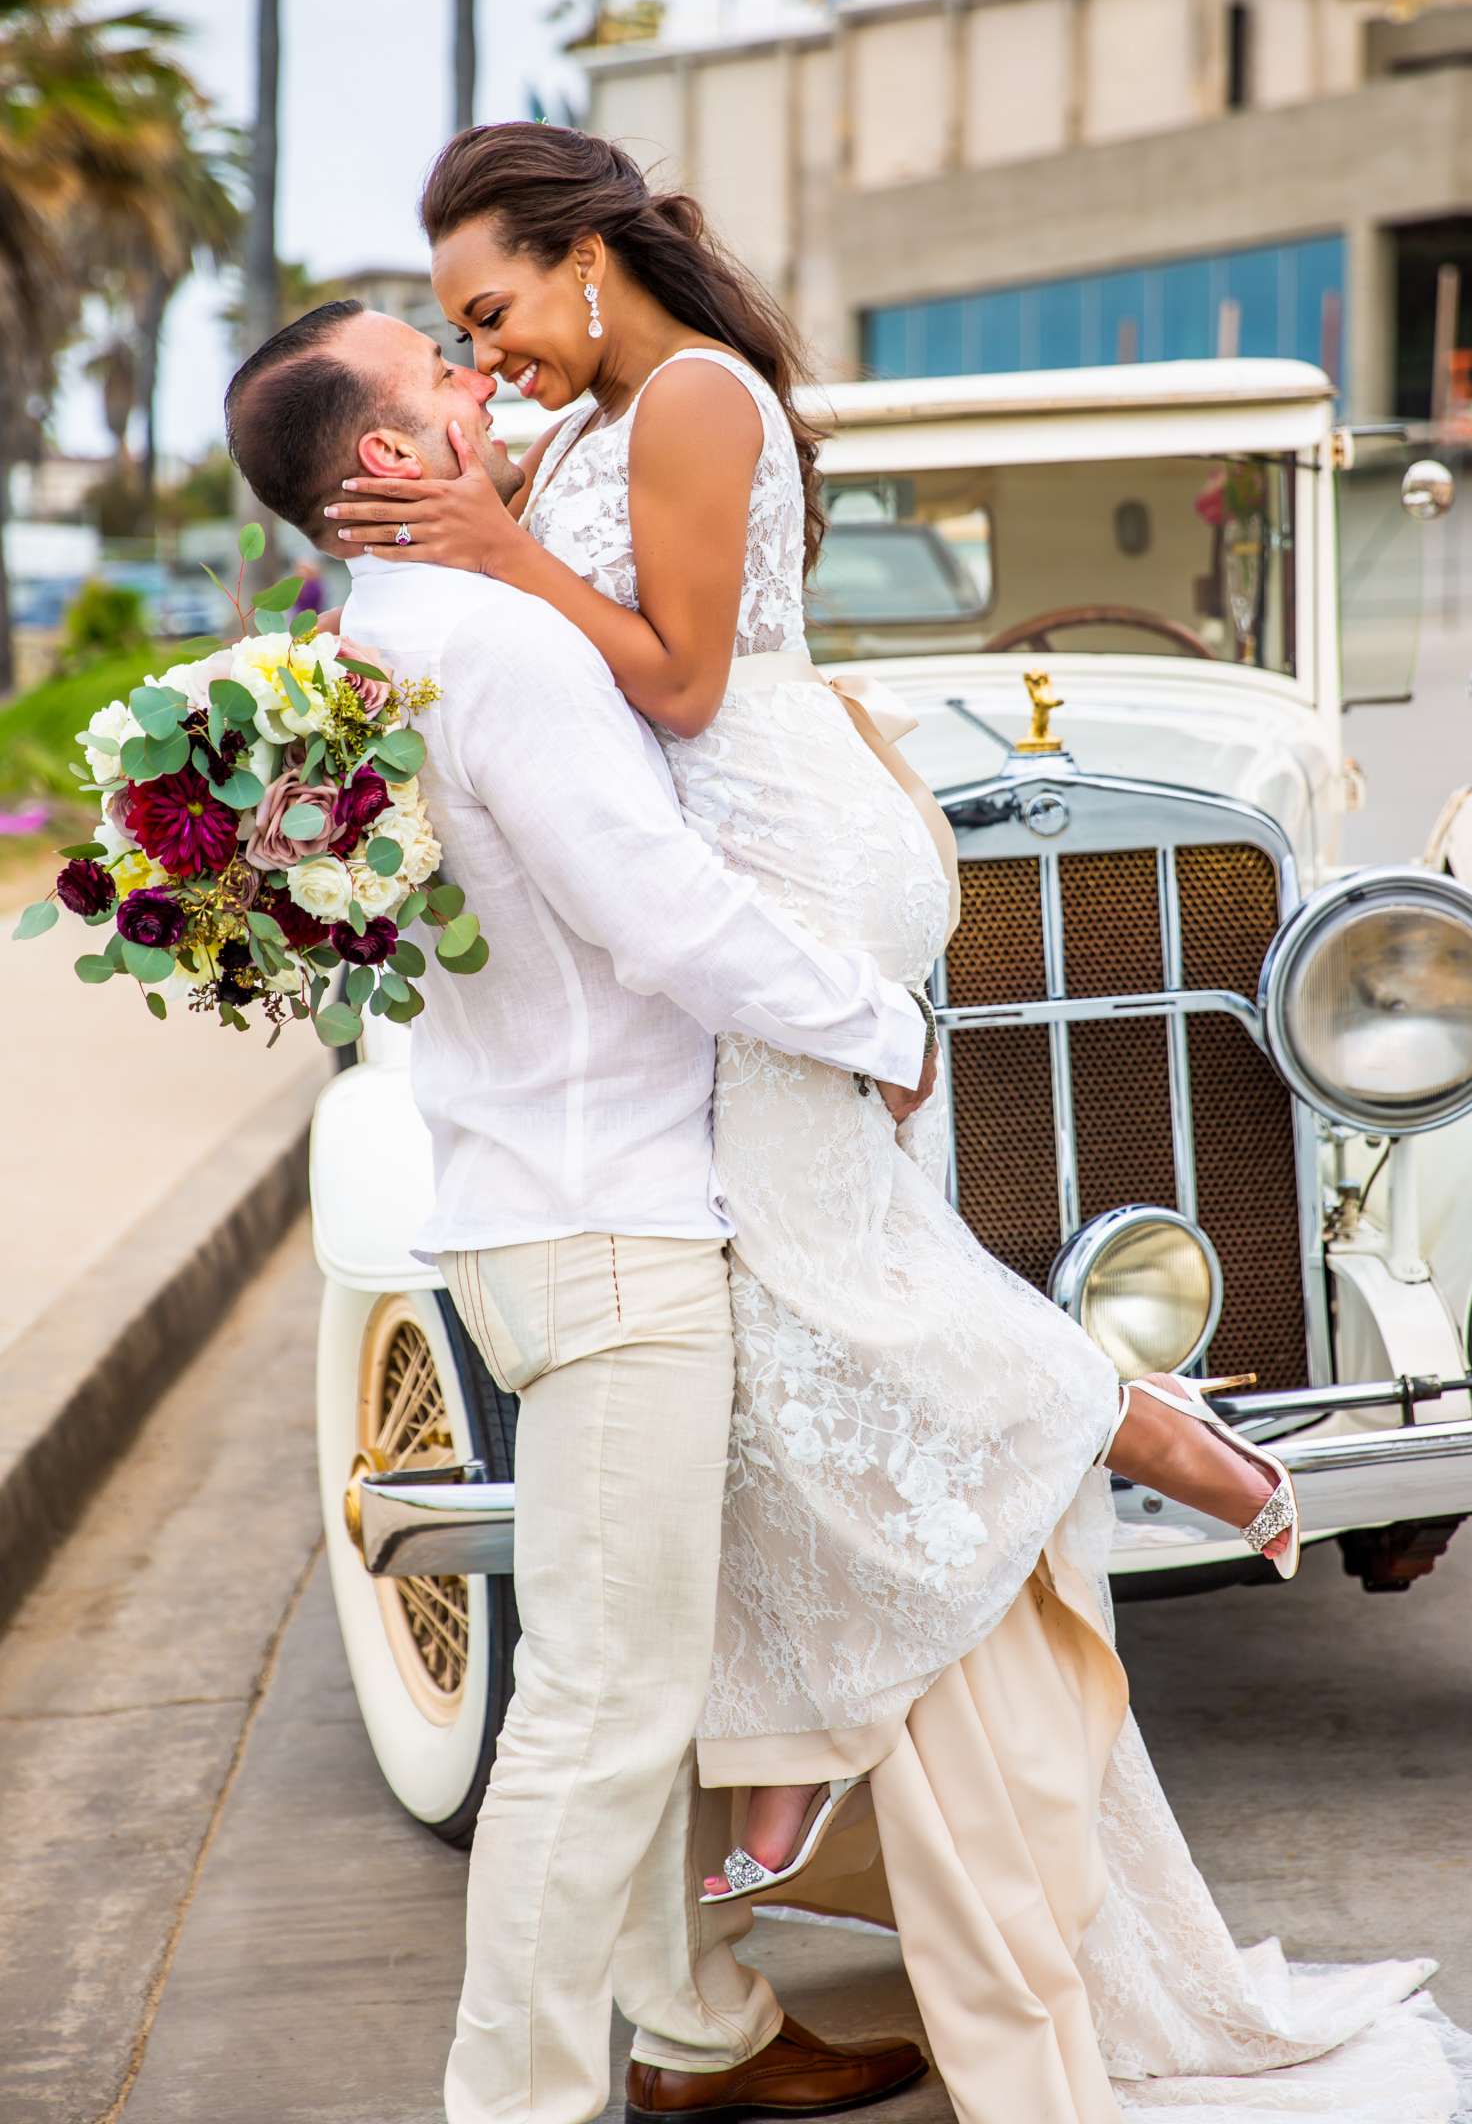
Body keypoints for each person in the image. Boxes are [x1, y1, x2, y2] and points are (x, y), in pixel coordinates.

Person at [317, 121, 1472, 2124]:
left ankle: (1107, 1422)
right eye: (453, 330)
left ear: (587, 255)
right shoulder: (591, 419)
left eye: (493, 307)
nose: (486, 350)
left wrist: (509, 547)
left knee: (813, 1261)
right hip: (765, 864)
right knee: (783, 1292)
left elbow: (687, 686)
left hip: (772, 857)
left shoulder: (687, 394)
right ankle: (821, 1707)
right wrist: (481, 509)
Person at [224, 301, 937, 2124]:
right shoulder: (499, 644)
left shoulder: (357, 646)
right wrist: (878, 1022)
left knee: (624, 1679)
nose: (484, 384)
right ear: (393, 458)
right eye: (442, 371)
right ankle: (520, 2103)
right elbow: (662, 910)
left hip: (515, 1205)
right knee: (602, 1713)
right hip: (614, 1228)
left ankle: (695, 2031)